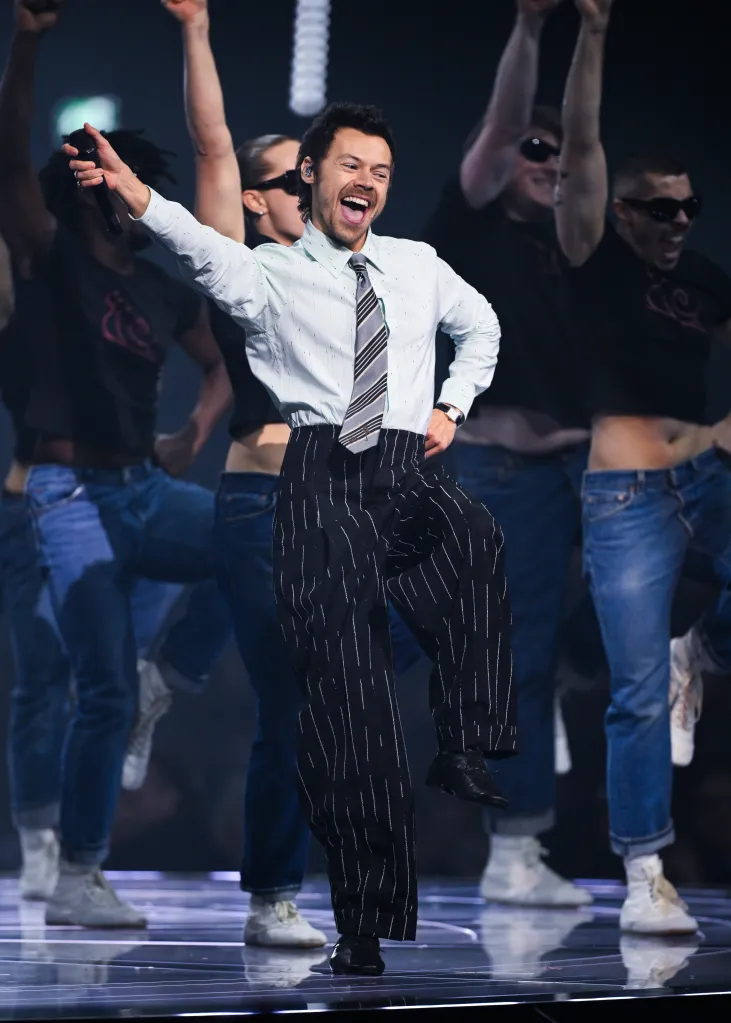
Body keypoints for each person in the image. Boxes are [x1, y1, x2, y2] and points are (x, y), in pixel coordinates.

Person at [67, 94, 516, 972]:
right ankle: (321, 909)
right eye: (350, 166)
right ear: (302, 180)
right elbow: (193, 229)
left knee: (469, 556)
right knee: (322, 710)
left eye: (382, 172)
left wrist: (450, 405)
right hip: (295, 490)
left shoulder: (414, 264)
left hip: (393, 478)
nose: (369, 184)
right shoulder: (259, 272)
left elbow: (481, 325)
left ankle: (464, 738)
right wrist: (130, 190)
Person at [160, 0, 426, 949]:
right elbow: (213, 146)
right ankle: (274, 894)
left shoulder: (368, 270)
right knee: (296, 702)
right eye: (273, 181)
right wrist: (195, 30)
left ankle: (180, 654)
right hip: (262, 502)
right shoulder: (241, 265)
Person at [0, 0, 232, 927]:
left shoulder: (156, 281)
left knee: (262, 545)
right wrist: (28, 39)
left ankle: (164, 674)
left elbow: (220, 364)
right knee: (81, 678)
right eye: (116, 174)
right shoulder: (52, 257)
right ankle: (77, 869)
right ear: (86, 182)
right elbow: (10, 150)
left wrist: (195, 434)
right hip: (66, 496)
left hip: (144, 486)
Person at [556, 0, 731, 934]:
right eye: (661, 208)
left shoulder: (701, 277)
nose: (677, 221)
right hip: (624, 493)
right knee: (630, 690)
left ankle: (695, 647)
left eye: (688, 207)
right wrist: (591, 34)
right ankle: (644, 873)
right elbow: (580, 146)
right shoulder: (597, 258)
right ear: (624, 212)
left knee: (662, 661)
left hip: (703, 476)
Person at [423, 0, 592, 909]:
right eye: (537, 151)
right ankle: (514, 852)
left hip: (594, 470)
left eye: (559, 156)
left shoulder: (581, 241)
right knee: (511, 655)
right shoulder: (472, 224)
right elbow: (500, 127)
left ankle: (567, 668)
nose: (550, 164)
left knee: (679, 591)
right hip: (500, 473)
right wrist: (532, 28)